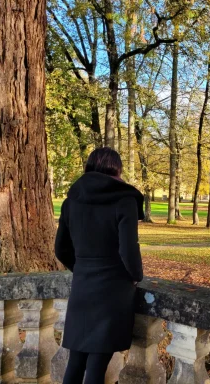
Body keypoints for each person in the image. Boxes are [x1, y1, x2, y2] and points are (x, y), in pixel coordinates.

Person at [55, 147, 144, 383]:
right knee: (97, 363)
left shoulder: (70, 202)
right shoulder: (124, 201)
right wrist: (136, 276)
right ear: (116, 169)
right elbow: (128, 250)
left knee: (76, 360)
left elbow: (61, 249)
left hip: (83, 287)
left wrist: (83, 268)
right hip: (112, 290)